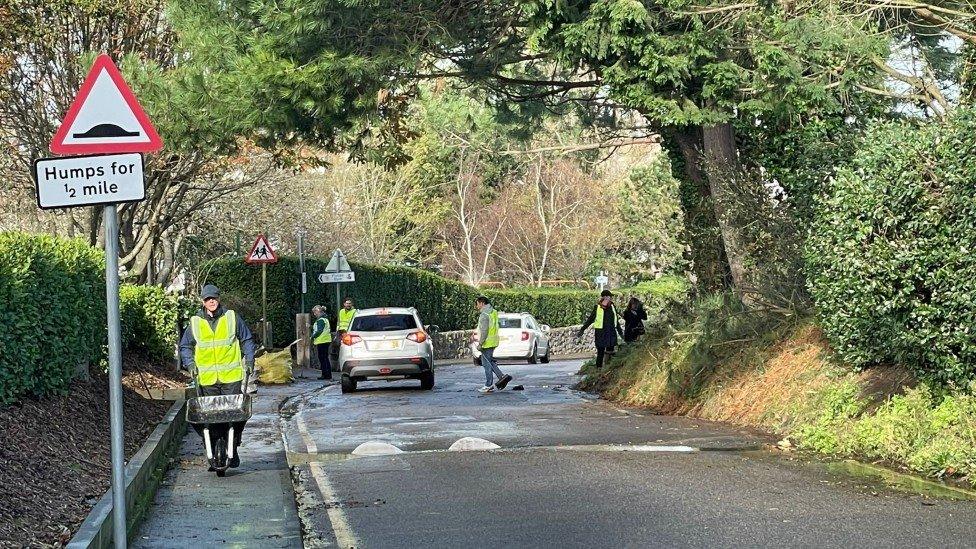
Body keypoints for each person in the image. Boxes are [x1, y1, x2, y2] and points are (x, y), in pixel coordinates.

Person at [180, 284, 256, 469]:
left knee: (236, 415)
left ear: (219, 299)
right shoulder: (196, 322)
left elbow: (246, 339)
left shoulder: (232, 317)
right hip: (207, 380)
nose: (211, 301)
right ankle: (213, 449)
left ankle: (234, 446)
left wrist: (249, 361)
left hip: (231, 377)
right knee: (210, 417)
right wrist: (190, 364)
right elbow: (185, 346)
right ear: (203, 302)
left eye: (213, 298)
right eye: (207, 299)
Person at [474, 296, 513, 393]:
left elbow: (484, 330)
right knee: (490, 361)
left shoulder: (484, 315)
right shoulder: (493, 312)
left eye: (477, 304)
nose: (477, 306)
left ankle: (488, 385)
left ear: (482, 303)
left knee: (486, 363)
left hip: (486, 343)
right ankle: (502, 376)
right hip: (494, 341)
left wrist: (480, 343)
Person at [577, 289, 623, 368]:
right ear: (604, 297)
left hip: (611, 333)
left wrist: (621, 334)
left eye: (610, 297)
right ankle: (598, 370)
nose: (610, 298)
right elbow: (590, 319)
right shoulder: (597, 307)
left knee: (610, 353)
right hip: (601, 334)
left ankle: (609, 370)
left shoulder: (612, 307)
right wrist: (582, 329)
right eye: (609, 297)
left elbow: (616, 321)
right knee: (600, 353)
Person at [311, 305, 333, 381]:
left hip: (322, 341)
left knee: (322, 358)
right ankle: (328, 374)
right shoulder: (325, 319)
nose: (314, 314)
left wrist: (312, 336)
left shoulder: (320, 320)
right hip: (326, 340)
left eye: (315, 312)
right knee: (325, 358)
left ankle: (325, 374)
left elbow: (319, 331)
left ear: (318, 312)